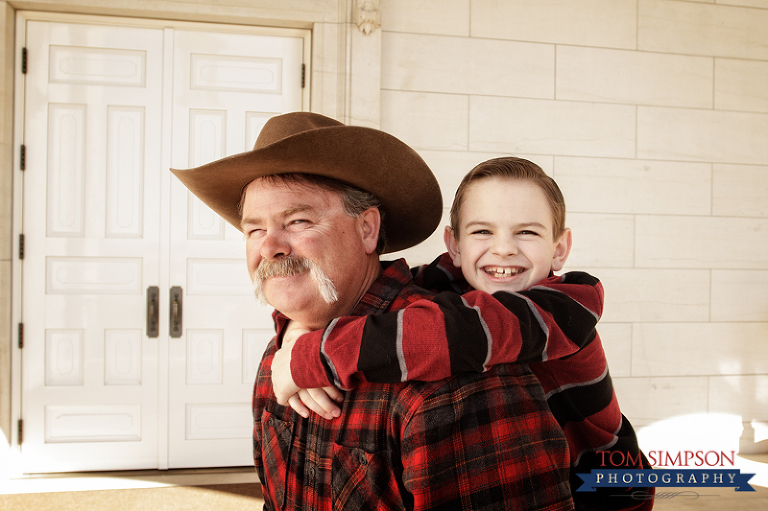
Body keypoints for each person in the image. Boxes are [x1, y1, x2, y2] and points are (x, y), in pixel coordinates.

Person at [172, 114, 575, 511]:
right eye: (255, 229)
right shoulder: (280, 357)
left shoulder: (458, 375)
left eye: (297, 220)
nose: (269, 246)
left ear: (367, 229)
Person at [272, 157, 655, 510]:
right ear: (454, 245)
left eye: (526, 232)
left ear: (559, 249)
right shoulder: (445, 281)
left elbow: (456, 331)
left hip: (600, 489)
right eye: (482, 231)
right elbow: (369, 295)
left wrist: (311, 357)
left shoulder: (570, 305)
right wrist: (297, 328)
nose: (503, 249)